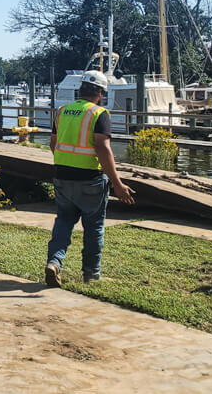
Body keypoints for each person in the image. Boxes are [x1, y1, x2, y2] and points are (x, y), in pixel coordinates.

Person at [46, 70, 134, 287]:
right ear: (101, 93)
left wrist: (66, 162)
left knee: (64, 221)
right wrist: (117, 184)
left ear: (80, 89)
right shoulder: (99, 114)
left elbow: (53, 144)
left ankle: (54, 262)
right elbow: (103, 149)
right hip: (90, 179)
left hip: (62, 176)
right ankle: (91, 275)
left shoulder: (62, 111)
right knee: (94, 227)